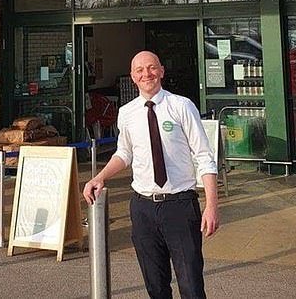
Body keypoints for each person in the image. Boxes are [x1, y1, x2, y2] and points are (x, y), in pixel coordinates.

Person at [83, 51, 219, 299]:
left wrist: (211, 206)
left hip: (179, 205)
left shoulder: (181, 106)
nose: (147, 74)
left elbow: (204, 157)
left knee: (191, 286)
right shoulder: (127, 113)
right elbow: (124, 153)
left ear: (162, 71)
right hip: (143, 208)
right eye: (140, 70)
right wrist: (100, 176)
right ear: (133, 76)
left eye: (152, 67)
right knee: (156, 287)